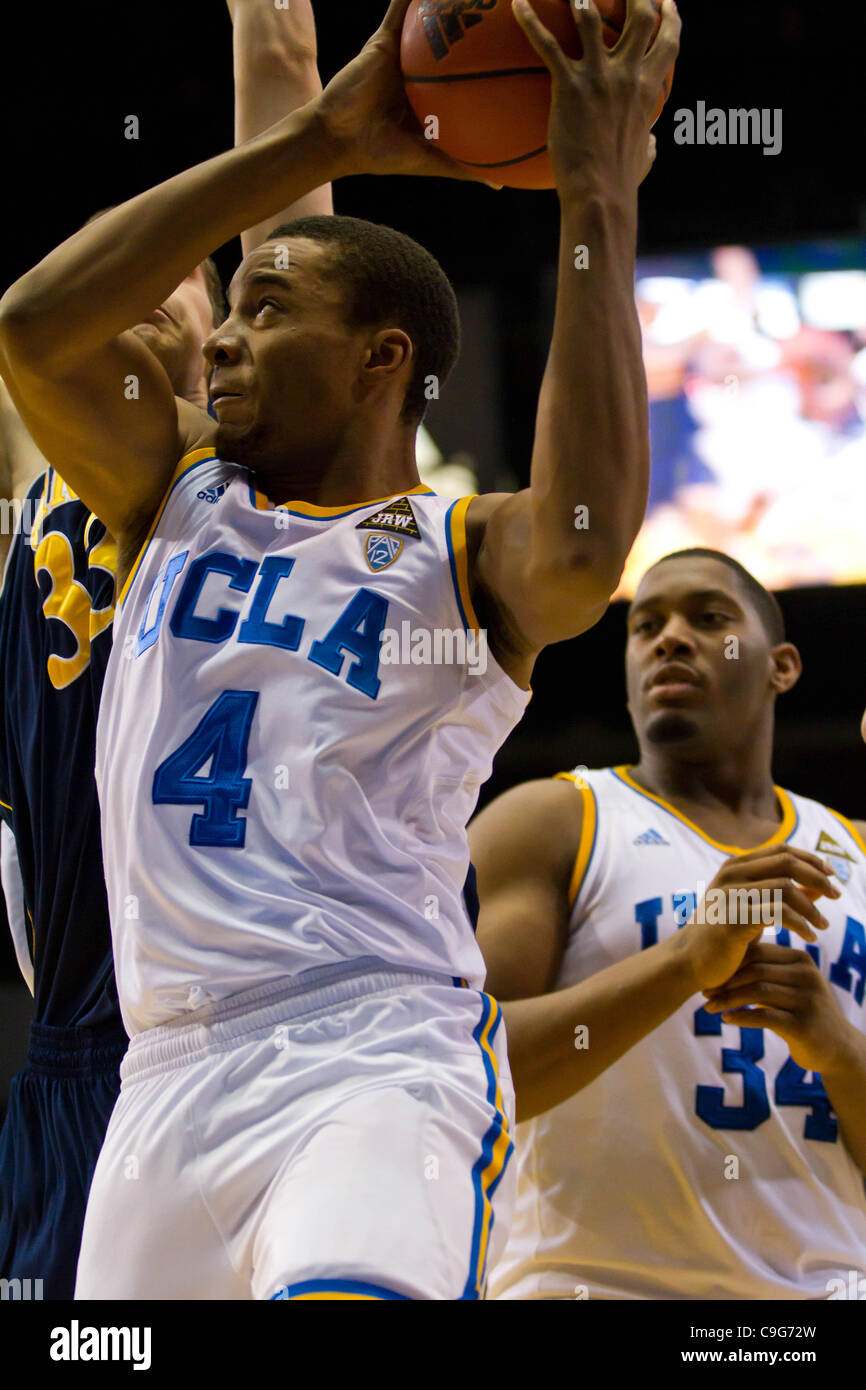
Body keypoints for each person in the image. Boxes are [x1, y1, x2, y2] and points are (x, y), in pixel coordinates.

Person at [0, 0, 678, 1300]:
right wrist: (314, 130)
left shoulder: (459, 552)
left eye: (262, 307)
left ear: (380, 361)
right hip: (163, 1077)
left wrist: (595, 201)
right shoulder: (169, 493)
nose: (221, 339)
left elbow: (588, 541)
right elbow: (35, 326)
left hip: (369, 1052)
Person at [0, 0, 330, 1300]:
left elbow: (297, 202)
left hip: (239, 1031)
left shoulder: (254, 474)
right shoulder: (34, 463)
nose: (134, 283)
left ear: (225, 335)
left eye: (173, 272)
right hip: (76, 1045)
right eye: (110, 265)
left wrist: (279, 58)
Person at [470, 547, 866, 1299]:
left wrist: (838, 1048)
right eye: (645, 625)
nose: (670, 637)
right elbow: (470, 1074)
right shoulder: (554, 821)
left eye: (707, 618)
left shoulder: (857, 851)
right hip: (592, 1285)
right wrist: (684, 961)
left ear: (781, 666)